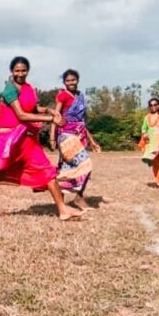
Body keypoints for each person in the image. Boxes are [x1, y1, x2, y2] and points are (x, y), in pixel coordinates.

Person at [0, 57, 84, 221]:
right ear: (11, 72)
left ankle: (63, 210)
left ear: (28, 71)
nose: (20, 73)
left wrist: (48, 110)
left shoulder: (29, 88)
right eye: (17, 71)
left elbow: (32, 108)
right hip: (9, 139)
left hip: (27, 139)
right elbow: (21, 115)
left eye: (23, 70)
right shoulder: (9, 90)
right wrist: (51, 119)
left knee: (46, 169)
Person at [50, 69, 100, 210]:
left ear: (78, 80)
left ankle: (76, 199)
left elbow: (82, 122)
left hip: (80, 134)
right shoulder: (62, 96)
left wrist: (92, 141)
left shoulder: (80, 96)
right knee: (85, 164)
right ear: (64, 82)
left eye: (73, 80)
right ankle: (65, 200)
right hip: (66, 135)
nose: (71, 83)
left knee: (68, 168)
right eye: (68, 80)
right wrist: (52, 137)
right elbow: (56, 116)